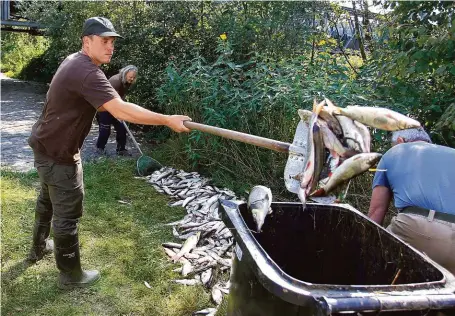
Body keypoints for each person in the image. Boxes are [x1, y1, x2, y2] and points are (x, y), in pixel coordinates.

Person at [27, 16, 191, 289]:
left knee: (47, 201)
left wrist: (112, 104)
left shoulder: (75, 62)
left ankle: (38, 248)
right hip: (58, 153)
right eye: (104, 41)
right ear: (87, 41)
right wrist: (166, 119)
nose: (110, 47)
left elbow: (100, 104)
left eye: (113, 41)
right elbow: (120, 110)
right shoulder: (88, 72)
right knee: (67, 213)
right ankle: (70, 276)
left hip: (45, 145)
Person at [368, 127, 455, 275]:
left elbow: (376, 211)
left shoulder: (394, 152)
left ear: (400, 141)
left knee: (378, 267)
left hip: (417, 228)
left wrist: (365, 246)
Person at [96, 65, 138, 155]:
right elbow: (109, 99)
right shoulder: (115, 81)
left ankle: (121, 149)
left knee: (122, 128)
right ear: (125, 74)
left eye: (134, 77)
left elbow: (120, 96)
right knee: (105, 130)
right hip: (104, 106)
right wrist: (117, 111)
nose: (132, 79)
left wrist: (121, 110)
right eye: (130, 77)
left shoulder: (127, 81)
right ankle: (100, 149)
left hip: (116, 105)